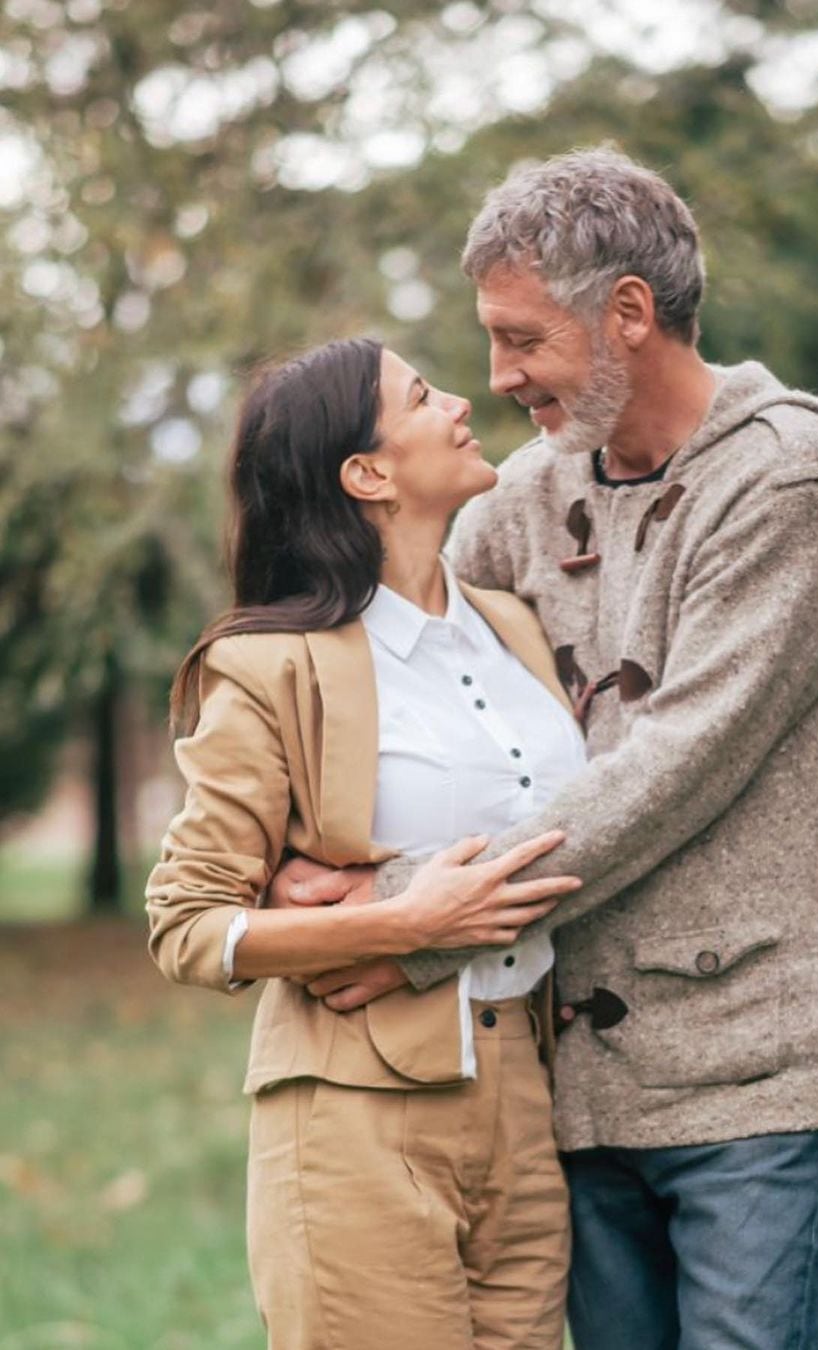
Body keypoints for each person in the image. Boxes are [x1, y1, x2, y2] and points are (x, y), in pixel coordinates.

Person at [274, 147, 818, 1350]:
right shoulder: (527, 496)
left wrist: (409, 912)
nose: (498, 377)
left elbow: (675, 769)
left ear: (628, 314)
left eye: (522, 340)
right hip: (568, 1088)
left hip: (749, 1083)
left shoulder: (791, 483)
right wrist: (283, 847)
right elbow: (400, 660)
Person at [145, 336, 590, 1350]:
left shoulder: (515, 626)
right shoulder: (269, 666)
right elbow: (186, 925)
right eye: (425, 394)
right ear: (368, 474)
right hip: (351, 1115)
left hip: (527, 1099)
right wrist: (406, 922)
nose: (462, 400)